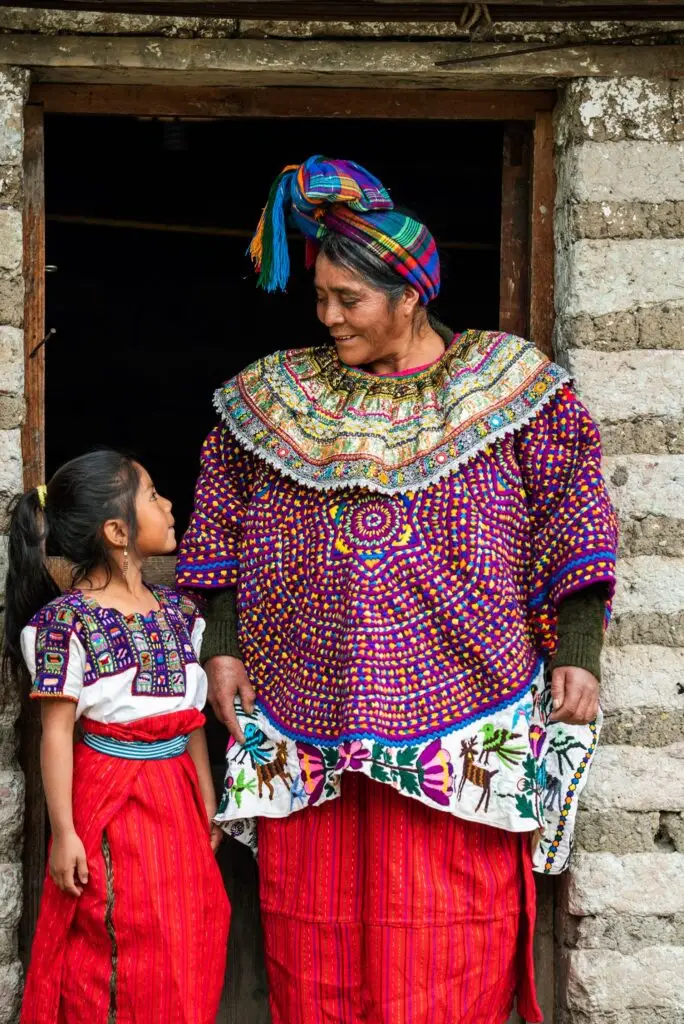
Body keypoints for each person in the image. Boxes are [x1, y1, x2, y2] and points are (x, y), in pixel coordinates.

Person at [177, 156, 618, 1024]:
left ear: (410, 294)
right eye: (322, 296)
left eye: (351, 299)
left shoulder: (514, 384)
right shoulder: (274, 397)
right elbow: (220, 520)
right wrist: (223, 641)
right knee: (316, 929)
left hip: (470, 701)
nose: (329, 315)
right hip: (306, 699)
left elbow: (574, 505)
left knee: (450, 927)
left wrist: (577, 647)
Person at [4, 451, 230, 1024]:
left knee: (192, 931)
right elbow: (55, 735)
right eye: (153, 495)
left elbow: (191, 718)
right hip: (112, 803)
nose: (170, 505)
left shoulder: (180, 614)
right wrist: (64, 834)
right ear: (117, 531)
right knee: (120, 940)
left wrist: (207, 801)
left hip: (177, 798)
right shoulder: (65, 623)